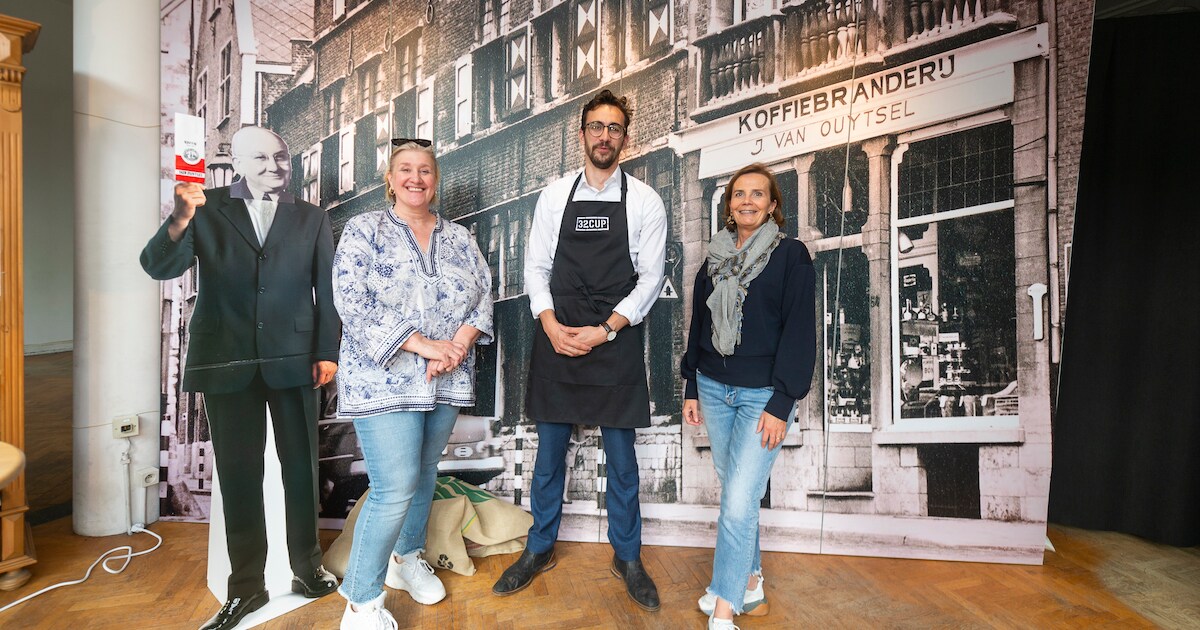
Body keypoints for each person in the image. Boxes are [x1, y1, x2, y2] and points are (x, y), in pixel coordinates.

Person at [140, 126, 341, 630]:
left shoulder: (313, 217)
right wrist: (179, 217)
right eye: (262, 158)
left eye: (282, 158)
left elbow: (328, 290)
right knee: (238, 476)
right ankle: (247, 587)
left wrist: (326, 352)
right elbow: (157, 267)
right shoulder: (203, 208)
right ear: (238, 163)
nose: (275, 167)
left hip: (296, 359)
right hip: (225, 359)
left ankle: (307, 569)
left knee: (301, 470)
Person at [492, 90, 667, 612]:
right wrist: (549, 324)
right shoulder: (553, 196)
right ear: (583, 133)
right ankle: (539, 547)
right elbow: (536, 269)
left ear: (625, 137)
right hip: (559, 337)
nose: (604, 136)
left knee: (622, 462)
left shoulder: (645, 201)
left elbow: (650, 280)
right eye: (596, 126)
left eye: (614, 127)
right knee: (548, 458)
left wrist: (606, 330)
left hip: (614, 340)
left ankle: (628, 557)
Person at [332, 139, 493, 630]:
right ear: (390, 178)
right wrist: (424, 345)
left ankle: (406, 559)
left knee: (424, 473)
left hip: (445, 378)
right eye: (405, 169)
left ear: (435, 180)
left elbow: (484, 293)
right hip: (384, 379)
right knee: (393, 488)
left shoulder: (459, 237)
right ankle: (360, 603)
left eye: (425, 170)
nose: (415, 178)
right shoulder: (365, 229)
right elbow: (350, 297)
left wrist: (457, 345)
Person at [680, 163, 816, 630]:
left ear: (773, 205)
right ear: (729, 205)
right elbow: (699, 325)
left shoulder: (791, 255)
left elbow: (800, 331)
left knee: (739, 500)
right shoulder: (715, 257)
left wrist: (783, 402)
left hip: (763, 396)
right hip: (713, 388)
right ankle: (751, 581)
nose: (747, 201)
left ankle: (724, 606)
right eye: (739, 194)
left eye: (758, 194)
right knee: (736, 492)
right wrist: (692, 385)